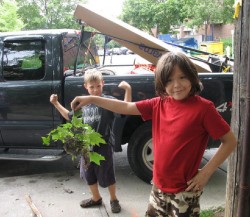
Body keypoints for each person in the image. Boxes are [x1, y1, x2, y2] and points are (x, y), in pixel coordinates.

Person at [70, 52, 237, 216]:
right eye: (169, 80)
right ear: (162, 84)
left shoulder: (204, 108)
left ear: (192, 77)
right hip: (158, 187)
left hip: (185, 191)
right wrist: (92, 99)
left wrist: (205, 173)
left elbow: (229, 141)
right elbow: (126, 107)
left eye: (182, 77)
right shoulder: (158, 104)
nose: (177, 85)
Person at [50, 69, 132, 214]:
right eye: (92, 87)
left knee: (107, 174)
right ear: (85, 87)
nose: (95, 90)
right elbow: (69, 116)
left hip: (104, 146)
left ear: (103, 84)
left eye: (98, 86)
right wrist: (56, 103)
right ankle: (96, 198)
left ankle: (114, 199)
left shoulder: (108, 101)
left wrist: (128, 89)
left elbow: (126, 109)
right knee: (89, 174)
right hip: (86, 147)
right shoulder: (82, 104)